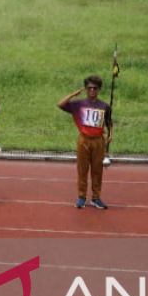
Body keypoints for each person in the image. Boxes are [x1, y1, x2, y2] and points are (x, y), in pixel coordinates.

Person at [57, 75, 112, 210]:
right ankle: (81, 197)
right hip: (84, 140)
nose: (92, 90)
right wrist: (74, 94)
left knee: (97, 170)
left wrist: (111, 135)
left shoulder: (104, 106)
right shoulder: (78, 104)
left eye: (95, 88)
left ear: (99, 90)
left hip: (98, 141)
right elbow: (60, 104)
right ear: (86, 89)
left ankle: (96, 198)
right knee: (82, 169)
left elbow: (109, 123)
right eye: (89, 88)